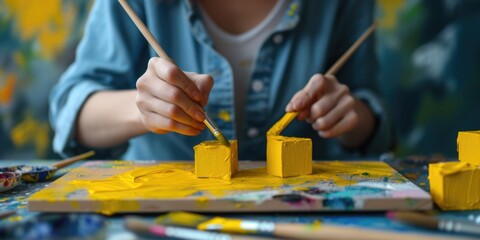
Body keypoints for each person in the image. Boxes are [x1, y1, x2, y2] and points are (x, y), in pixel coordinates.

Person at [50, 0, 393, 160]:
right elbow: (71, 112)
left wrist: (353, 119)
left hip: (300, 210)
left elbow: (377, 124)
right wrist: (142, 110)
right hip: (160, 212)